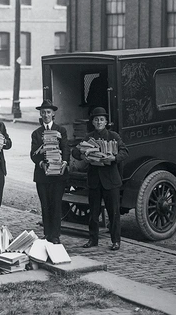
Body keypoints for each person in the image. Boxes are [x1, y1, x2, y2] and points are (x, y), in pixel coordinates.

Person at [72, 107, 128, 251]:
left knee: (113, 212)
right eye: (96, 120)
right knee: (94, 213)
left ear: (106, 122)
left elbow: (125, 151)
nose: (99, 122)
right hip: (95, 180)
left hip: (111, 181)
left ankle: (116, 241)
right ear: (93, 122)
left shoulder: (114, 136)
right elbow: (75, 151)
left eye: (101, 120)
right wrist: (82, 156)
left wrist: (114, 158)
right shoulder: (88, 137)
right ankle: (93, 239)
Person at [30, 99, 69, 244]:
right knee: (45, 204)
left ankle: (56, 235)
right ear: (40, 114)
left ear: (53, 114)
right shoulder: (36, 133)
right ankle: (47, 234)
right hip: (42, 175)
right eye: (43, 112)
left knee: (56, 204)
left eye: (48, 112)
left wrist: (65, 162)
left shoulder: (61, 130)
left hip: (58, 174)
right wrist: (40, 163)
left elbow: (66, 148)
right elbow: (33, 153)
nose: (46, 115)